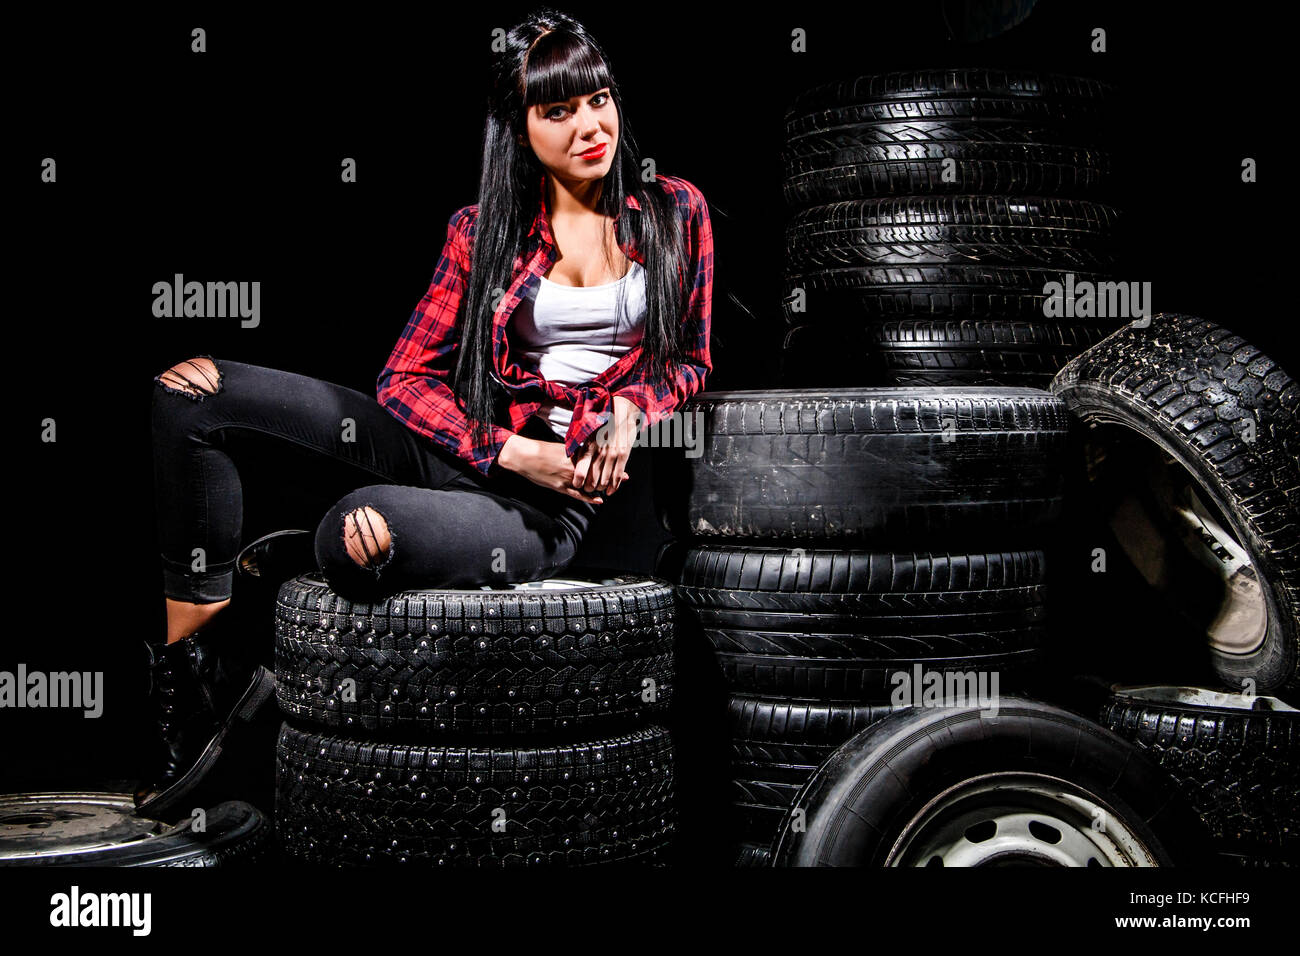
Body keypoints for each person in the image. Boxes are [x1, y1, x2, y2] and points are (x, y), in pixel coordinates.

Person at [133, 6, 714, 816]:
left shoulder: (675, 211)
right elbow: (403, 380)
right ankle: (197, 691)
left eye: (600, 99)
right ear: (519, 130)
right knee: (187, 394)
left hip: (544, 509)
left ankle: (286, 576)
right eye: (558, 110)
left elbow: (688, 359)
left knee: (354, 536)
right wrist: (508, 450)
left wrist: (625, 411)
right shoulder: (482, 232)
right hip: (479, 452)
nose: (590, 126)